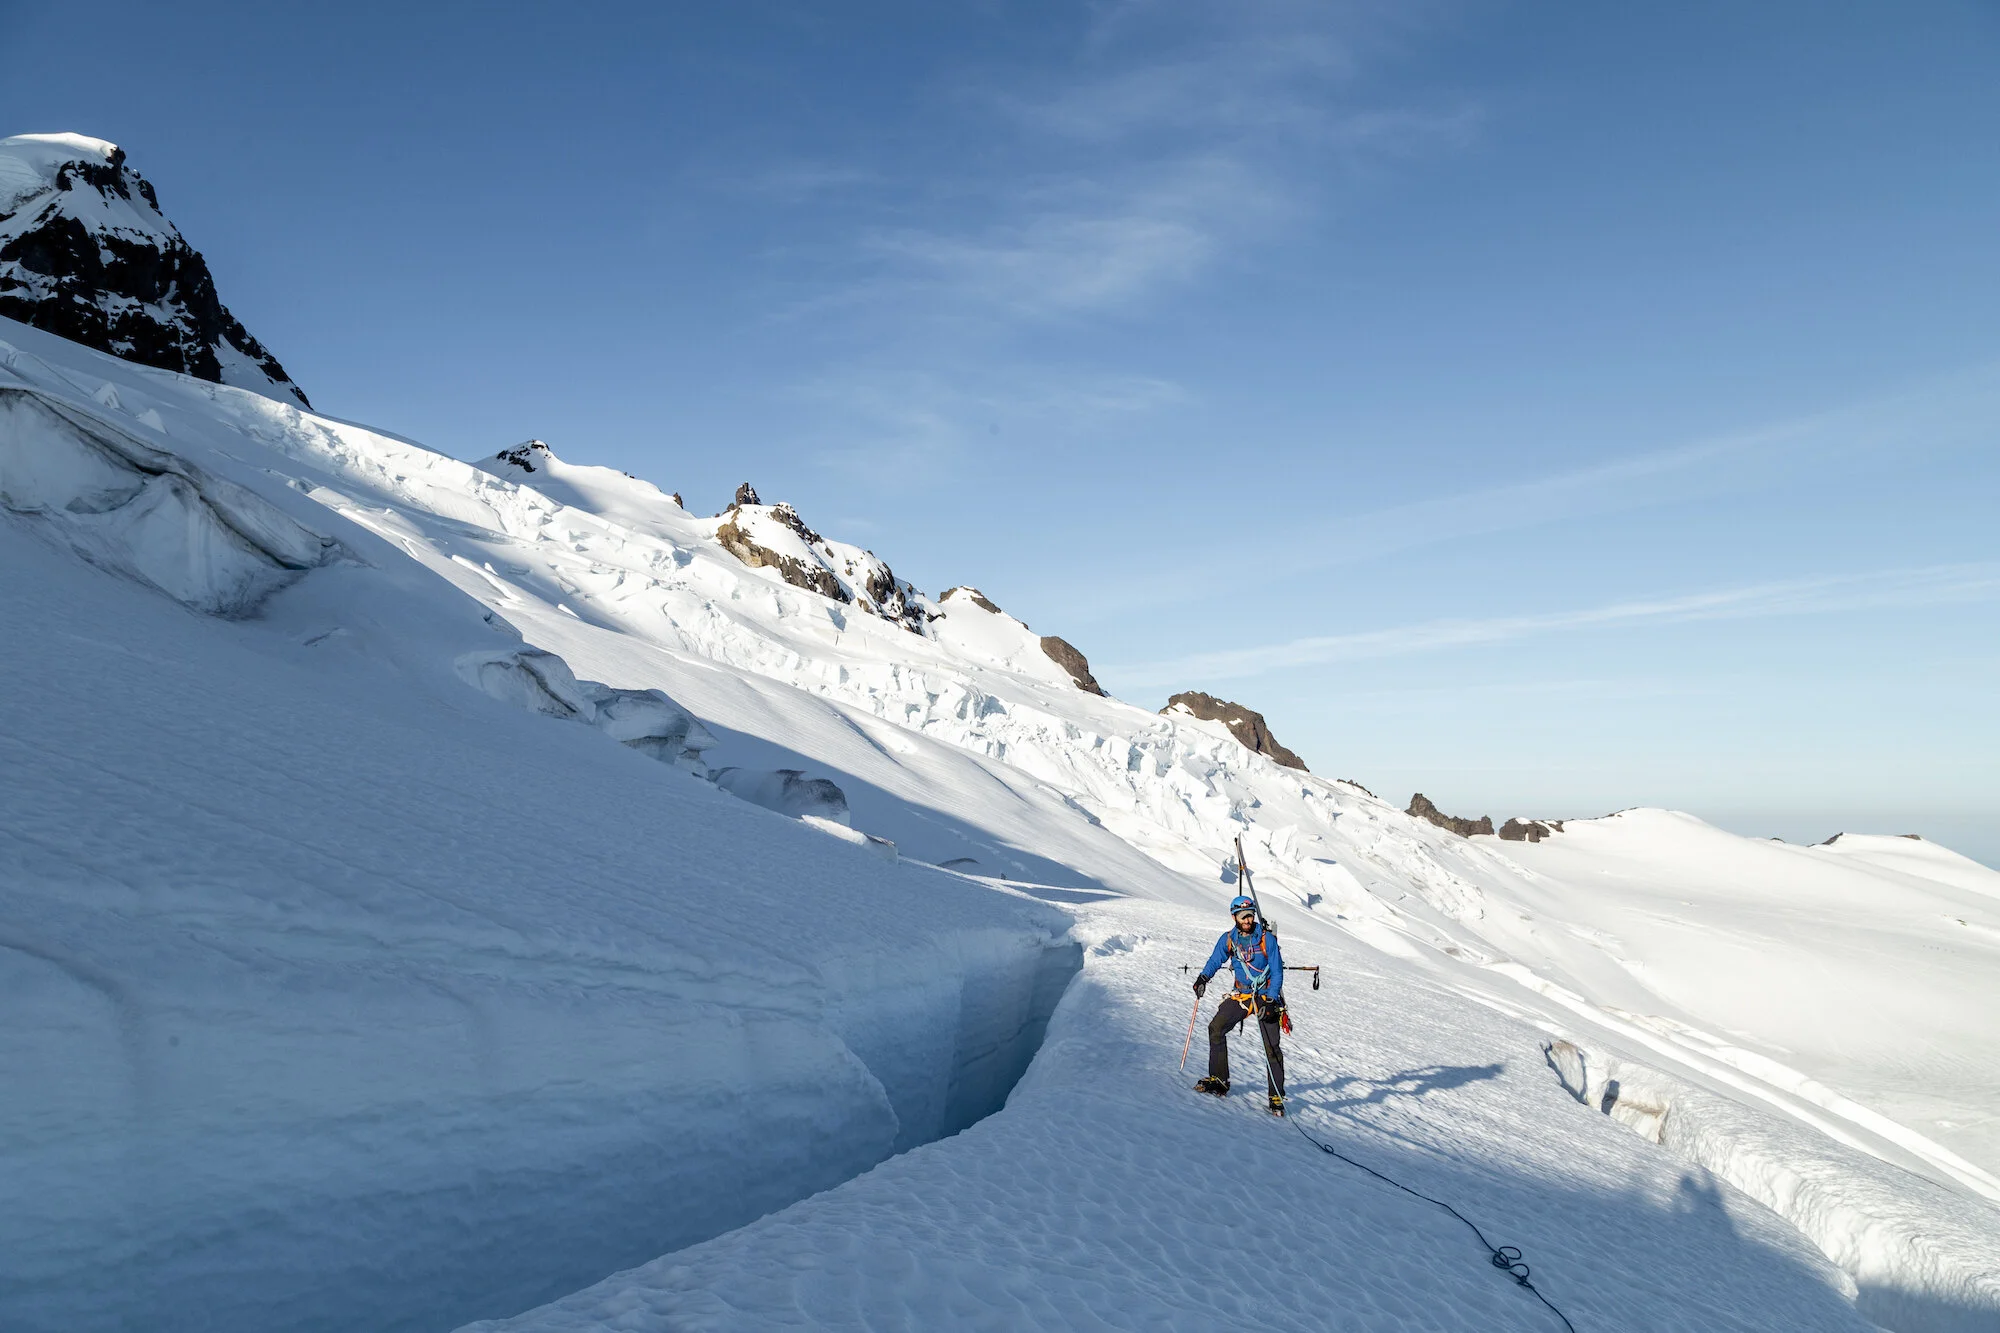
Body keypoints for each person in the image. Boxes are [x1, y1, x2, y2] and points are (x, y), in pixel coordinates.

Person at [1191, 896, 1287, 1115]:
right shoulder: (1229, 939)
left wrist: (1272, 1000)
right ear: (1234, 916)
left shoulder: (1266, 939)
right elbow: (1216, 960)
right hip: (1242, 995)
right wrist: (1203, 978)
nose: (1247, 919)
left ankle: (1276, 1096)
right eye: (1243, 916)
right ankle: (1219, 1079)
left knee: (1271, 1046)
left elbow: (1277, 971)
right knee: (1216, 1028)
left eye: (1250, 915)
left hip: (1265, 996)